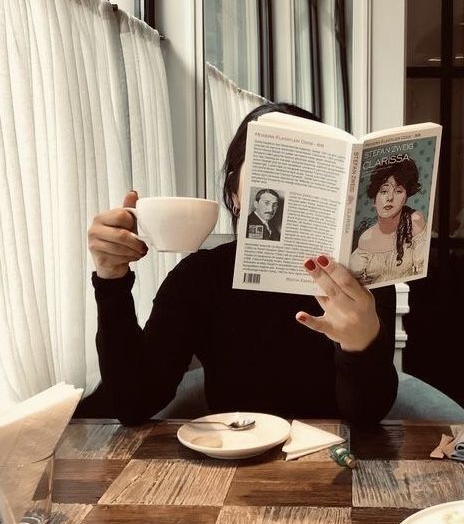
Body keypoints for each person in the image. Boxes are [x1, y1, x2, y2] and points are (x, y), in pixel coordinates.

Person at [87, 102, 398, 426]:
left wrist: (359, 344)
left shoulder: (363, 276)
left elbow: (368, 416)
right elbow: (133, 402)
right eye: (269, 164)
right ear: (235, 195)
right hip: (232, 463)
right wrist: (111, 280)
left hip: (335, 461)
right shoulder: (200, 277)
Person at [350, 159, 427, 286]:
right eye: (384, 191)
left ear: (405, 198)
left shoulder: (414, 222)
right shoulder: (366, 238)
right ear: (374, 199)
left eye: (398, 191)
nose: (390, 197)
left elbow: (422, 273)